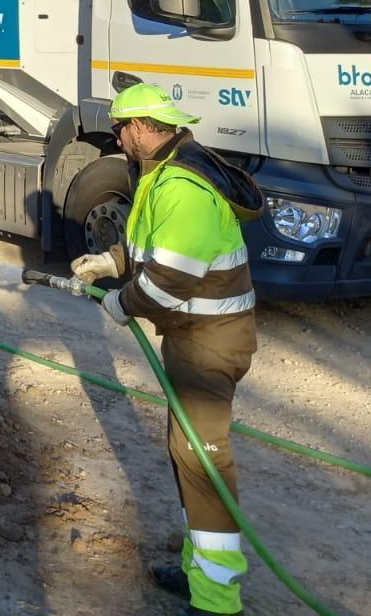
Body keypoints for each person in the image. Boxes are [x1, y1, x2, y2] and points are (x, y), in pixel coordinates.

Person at [71, 83, 262, 616]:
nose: (117, 139)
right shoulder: (163, 176)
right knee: (187, 453)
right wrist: (112, 262)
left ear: (137, 128)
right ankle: (196, 569)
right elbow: (153, 247)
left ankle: (217, 599)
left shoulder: (181, 186)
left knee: (203, 460)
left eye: (118, 130)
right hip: (194, 337)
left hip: (209, 343)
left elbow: (169, 282)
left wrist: (121, 303)